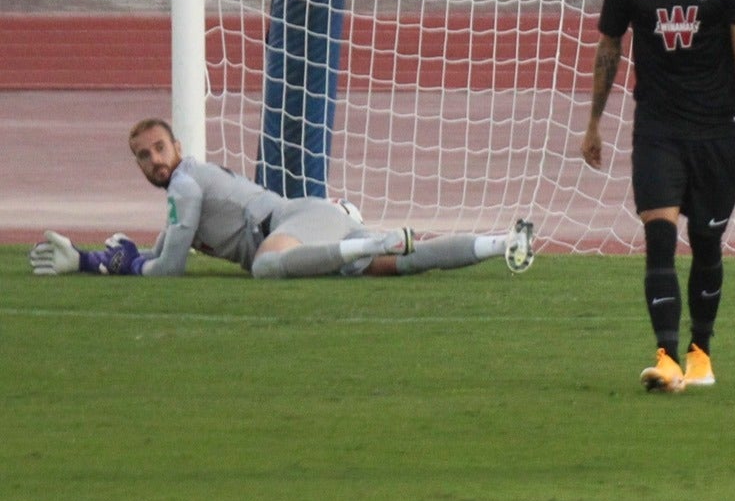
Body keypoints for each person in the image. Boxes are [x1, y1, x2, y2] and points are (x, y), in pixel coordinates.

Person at [581, 0, 735, 394]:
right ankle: (665, 356)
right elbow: (609, 49)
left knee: (707, 246)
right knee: (658, 237)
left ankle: (700, 351)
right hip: (657, 130)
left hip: (715, 133)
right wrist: (593, 123)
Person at [28, 118, 535, 279]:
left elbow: (168, 269)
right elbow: (164, 246)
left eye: (159, 148)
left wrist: (135, 266)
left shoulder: (184, 181)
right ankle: (503, 243)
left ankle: (371, 240)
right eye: (144, 156)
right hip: (310, 226)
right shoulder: (189, 189)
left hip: (295, 224)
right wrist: (90, 261)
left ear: (177, 148)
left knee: (266, 269)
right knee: (405, 262)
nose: (155, 160)